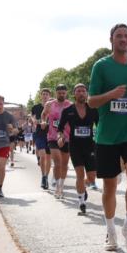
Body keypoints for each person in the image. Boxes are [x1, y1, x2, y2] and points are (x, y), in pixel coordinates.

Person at [88, 24, 127, 251]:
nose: (123, 39)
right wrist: (111, 95)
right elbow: (91, 101)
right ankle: (110, 230)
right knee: (109, 186)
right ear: (111, 40)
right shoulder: (101, 66)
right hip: (107, 136)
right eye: (119, 36)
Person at [58, 84, 100, 215]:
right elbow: (60, 128)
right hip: (75, 146)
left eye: (83, 91)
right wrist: (60, 137)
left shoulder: (93, 109)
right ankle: (82, 202)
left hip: (90, 146)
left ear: (87, 94)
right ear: (74, 94)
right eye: (78, 91)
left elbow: (100, 125)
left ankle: (82, 187)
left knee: (92, 177)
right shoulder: (68, 110)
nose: (81, 93)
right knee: (80, 174)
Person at [45, 85, 73, 199]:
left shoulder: (70, 105)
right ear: (56, 93)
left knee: (64, 164)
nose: (61, 95)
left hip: (66, 137)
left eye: (63, 93)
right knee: (57, 162)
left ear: (66, 93)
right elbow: (43, 115)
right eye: (59, 93)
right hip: (53, 136)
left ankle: (61, 185)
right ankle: (57, 187)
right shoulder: (49, 104)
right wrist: (43, 121)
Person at [31, 89, 53, 189]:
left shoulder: (53, 106)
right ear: (41, 96)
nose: (45, 96)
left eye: (46, 94)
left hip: (51, 134)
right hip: (39, 133)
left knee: (49, 157)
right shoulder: (36, 107)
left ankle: (46, 177)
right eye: (43, 94)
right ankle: (43, 176)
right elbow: (32, 118)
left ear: (49, 96)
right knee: (43, 155)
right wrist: (35, 121)